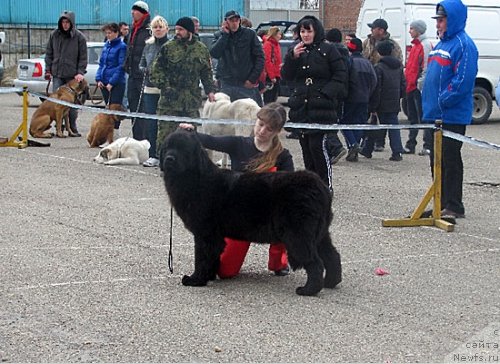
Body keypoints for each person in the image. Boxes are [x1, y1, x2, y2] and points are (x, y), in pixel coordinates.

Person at [178, 102, 293, 277]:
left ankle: (279, 262)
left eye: (269, 129)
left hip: (269, 212)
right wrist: (191, 132)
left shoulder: (283, 156)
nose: (262, 131)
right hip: (241, 215)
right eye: (261, 125)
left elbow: (288, 188)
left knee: (285, 219)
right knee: (225, 271)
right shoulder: (238, 144)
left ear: (277, 132)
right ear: (256, 121)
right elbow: (210, 140)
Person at [422, 0, 478, 219]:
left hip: (450, 115)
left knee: (450, 160)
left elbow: (463, 81)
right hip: (433, 114)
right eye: (437, 20)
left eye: (442, 19)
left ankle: (454, 205)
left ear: (452, 19)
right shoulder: (441, 45)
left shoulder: (464, 45)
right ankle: (440, 202)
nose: (439, 24)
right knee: (435, 161)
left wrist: (442, 100)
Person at [282, 15, 348, 194]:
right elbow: (286, 76)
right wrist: (292, 58)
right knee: (305, 148)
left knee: (317, 147)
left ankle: (326, 187)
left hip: (321, 107)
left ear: (316, 31)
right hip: (302, 107)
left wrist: (325, 93)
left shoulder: (329, 50)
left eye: (308, 31)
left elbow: (341, 75)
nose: (305, 35)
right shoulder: (296, 50)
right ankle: (311, 187)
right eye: (302, 31)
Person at [150, 16, 215, 152]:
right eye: (176, 29)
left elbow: (206, 72)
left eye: (181, 29)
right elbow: (156, 71)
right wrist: (165, 86)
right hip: (169, 102)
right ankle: (164, 165)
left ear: (189, 31)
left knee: (190, 137)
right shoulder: (168, 48)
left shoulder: (201, 49)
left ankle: (188, 166)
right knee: (166, 137)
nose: (177, 32)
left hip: (190, 102)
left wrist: (210, 90)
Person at [362, 18, 403, 152]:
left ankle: (374, 146)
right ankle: (374, 145)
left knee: (383, 119)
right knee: (377, 119)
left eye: (373, 28)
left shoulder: (393, 46)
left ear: (381, 30)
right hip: (371, 83)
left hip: (384, 86)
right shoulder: (367, 42)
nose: (371, 30)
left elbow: (398, 64)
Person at [44, 10, 87, 137]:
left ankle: (72, 127)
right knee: (57, 104)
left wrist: (80, 72)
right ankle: (59, 128)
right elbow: (49, 53)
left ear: (72, 23)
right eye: (63, 22)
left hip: (72, 76)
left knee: (72, 105)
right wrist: (48, 69)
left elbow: (83, 57)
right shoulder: (54, 35)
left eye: (67, 22)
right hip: (57, 74)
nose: (65, 24)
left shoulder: (79, 37)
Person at [210, 10, 264, 107]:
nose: (234, 23)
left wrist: (252, 79)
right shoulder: (219, 35)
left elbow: (260, 57)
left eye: (236, 20)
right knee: (226, 115)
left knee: (248, 115)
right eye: (231, 20)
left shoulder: (249, 34)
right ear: (226, 22)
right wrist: (225, 36)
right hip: (227, 84)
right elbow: (215, 53)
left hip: (245, 83)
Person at [139, 16, 169, 168]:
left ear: (166, 29)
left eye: (160, 27)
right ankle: (153, 155)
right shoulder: (148, 46)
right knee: (151, 122)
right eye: (155, 27)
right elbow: (141, 63)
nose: (158, 29)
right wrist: (145, 70)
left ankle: (165, 154)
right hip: (149, 89)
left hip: (165, 89)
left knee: (165, 122)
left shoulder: (171, 46)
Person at [341, 37, 377, 162]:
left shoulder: (349, 62)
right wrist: (368, 93)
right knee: (359, 123)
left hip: (350, 98)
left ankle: (352, 144)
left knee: (344, 122)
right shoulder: (368, 63)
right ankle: (355, 146)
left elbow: (344, 80)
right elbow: (374, 81)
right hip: (364, 98)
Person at [403, 19, 433, 156]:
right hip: (411, 86)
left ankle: (428, 145)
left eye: (412, 29)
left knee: (424, 117)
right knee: (413, 117)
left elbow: (426, 66)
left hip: (418, 87)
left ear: (418, 30)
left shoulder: (424, 45)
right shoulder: (415, 45)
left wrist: (420, 84)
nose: (410, 31)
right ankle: (411, 144)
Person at [95, 23, 127, 144]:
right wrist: (98, 79)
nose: (108, 35)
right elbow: (102, 64)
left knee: (115, 109)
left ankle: (116, 134)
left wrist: (112, 82)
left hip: (116, 83)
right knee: (108, 110)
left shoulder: (122, 46)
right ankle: (108, 137)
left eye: (110, 33)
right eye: (106, 33)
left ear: (116, 33)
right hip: (104, 81)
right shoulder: (106, 46)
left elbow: (120, 66)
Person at [123, 1, 151, 141]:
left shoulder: (149, 30)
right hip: (132, 75)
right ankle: (136, 139)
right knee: (133, 109)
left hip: (143, 77)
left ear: (143, 12)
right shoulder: (133, 29)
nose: (132, 13)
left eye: (135, 11)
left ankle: (145, 141)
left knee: (144, 110)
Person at [324, 28, 350, 164]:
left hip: (330, 91)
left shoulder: (329, 53)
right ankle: (332, 148)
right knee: (333, 119)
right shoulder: (346, 53)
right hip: (342, 91)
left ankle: (335, 147)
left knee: (325, 120)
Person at [262, 26, 282, 104]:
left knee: (274, 97)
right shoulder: (268, 44)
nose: (280, 36)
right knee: (269, 98)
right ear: (274, 34)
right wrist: (272, 76)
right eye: (279, 34)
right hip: (270, 76)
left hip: (276, 74)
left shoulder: (276, 45)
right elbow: (267, 61)